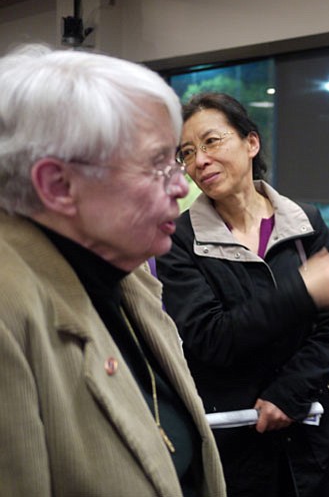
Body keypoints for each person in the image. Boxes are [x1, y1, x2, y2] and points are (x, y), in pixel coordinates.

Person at [0, 45, 226, 496]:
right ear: (59, 185)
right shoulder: (10, 309)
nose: (182, 185)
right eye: (157, 164)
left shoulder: (128, 277)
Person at [155, 92, 329, 497]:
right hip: (236, 447)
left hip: (314, 442)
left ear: (251, 142)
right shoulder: (179, 239)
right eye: (188, 152)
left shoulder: (305, 222)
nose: (200, 161)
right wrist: (301, 291)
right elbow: (212, 338)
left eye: (212, 142)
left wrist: (289, 393)